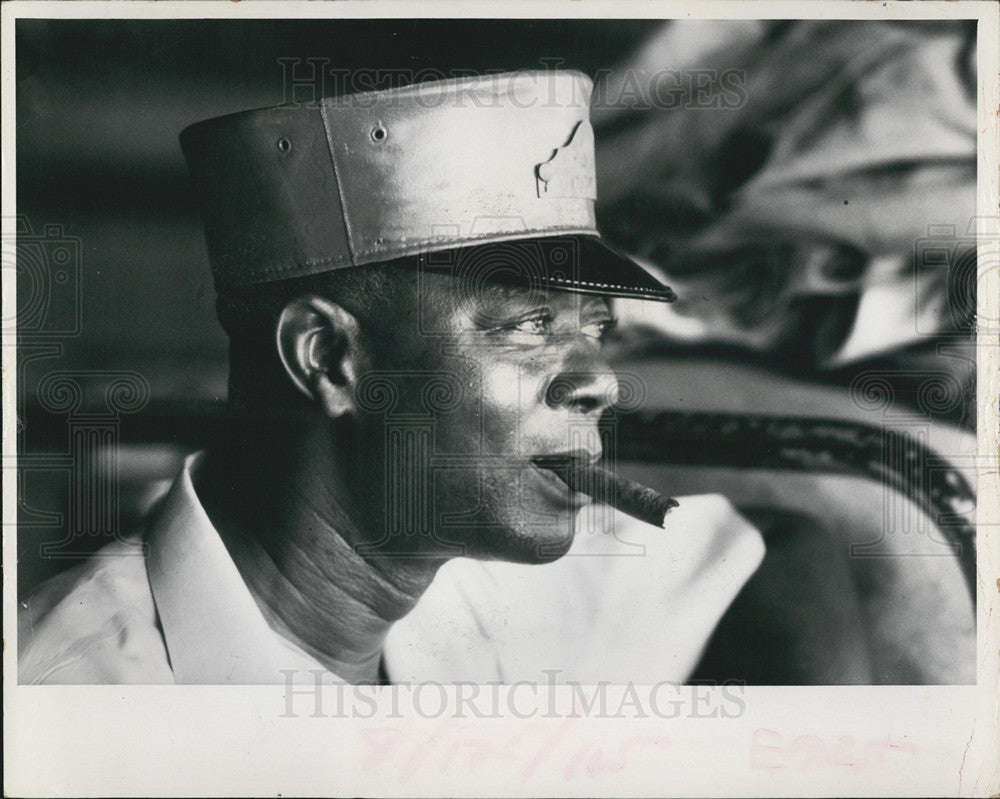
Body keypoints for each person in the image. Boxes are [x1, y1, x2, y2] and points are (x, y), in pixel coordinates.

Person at [18, 70, 764, 685]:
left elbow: (774, 549)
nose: (600, 381)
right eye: (530, 324)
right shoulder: (73, 701)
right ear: (328, 358)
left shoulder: (468, 573)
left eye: (596, 329)